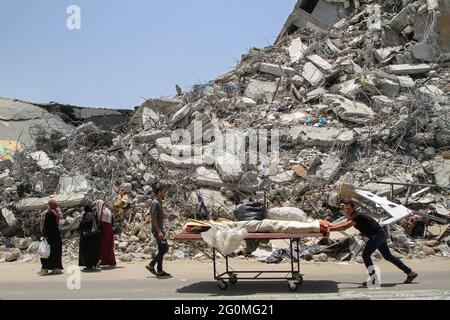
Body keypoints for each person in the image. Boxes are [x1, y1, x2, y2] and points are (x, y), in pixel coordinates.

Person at [329, 199, 418, 286]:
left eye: (348, 208)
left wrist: (328, 229)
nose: (346, 210)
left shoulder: (357, 216)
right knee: (388, 256)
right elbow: (343, 223)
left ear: (353, 208)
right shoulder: (354, 216)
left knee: (365, 255)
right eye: (344, 208)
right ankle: (410, 273)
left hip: (377, 236)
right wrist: (330, 226)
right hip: (380, 235)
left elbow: (344, 227)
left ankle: (374, 279)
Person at [146, 183, 171, 277]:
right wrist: (159, 231)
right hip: (157, 231)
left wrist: (163, 216)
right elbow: (153, 217)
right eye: (164, 192)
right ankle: (151, 265)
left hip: (159, 229)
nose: (165, 193)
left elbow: (157, 216)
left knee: (161, 249)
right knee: (165, 248)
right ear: (159, 192)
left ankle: (160, 271)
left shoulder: (159, 203)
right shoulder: (155, 203)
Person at [39, 198, 63, 275]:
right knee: (56, 253)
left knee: (46, 252)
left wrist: (44, 235)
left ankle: (45, 268)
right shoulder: (58, 213)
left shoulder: (49, 213)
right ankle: (57, 268)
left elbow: (47, 225)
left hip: (50, 237)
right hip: (57, 236)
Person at [94, 200, 116, 268]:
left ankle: (106, 261)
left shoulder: (103, 212)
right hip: (109, 230)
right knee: (109, 247)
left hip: (105, 231)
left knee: (104, 247)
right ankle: (110, 262)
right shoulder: (107, 210)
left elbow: (102, 224)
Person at [79, 204, 101, 271]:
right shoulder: (92, 214)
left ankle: (89, 265)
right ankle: (93, 263)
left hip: (89, 237)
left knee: (87, 251)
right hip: (94, 236)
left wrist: (81, 223)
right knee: (92, 251)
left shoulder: (88, 215)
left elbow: (88, 223)